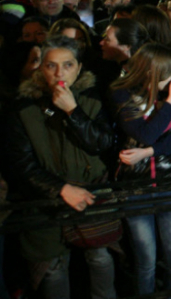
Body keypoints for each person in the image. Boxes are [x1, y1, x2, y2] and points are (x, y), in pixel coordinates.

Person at [6, 36, 116, 299]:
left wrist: (73, 112)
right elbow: (20, 165)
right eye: (51, 65)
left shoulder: (92, 98)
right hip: (46, 203)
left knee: (100, 258)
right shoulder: (22, 107)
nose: (59, 73)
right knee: (53, 270)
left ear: (79, 67)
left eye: (67, 65)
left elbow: (102, 143)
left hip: (91, 195)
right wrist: (61, 189)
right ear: (40, 68)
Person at [110, 43, 171, 295]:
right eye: (170, 72)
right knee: (146, 261)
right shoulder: (122, 93)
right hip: (136, 187)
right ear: (151, 72)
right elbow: (145, 133)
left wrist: (149, 152)